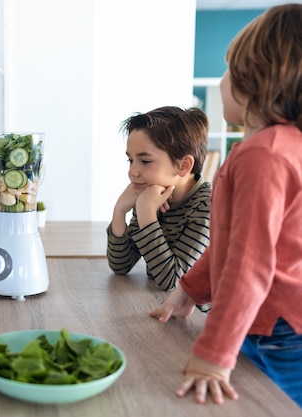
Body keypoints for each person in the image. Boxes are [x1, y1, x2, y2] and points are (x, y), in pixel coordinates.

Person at [149, 3, 302, 407]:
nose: (221, 81)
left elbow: (249, 263)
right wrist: (189, 292)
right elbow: (234, 244)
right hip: (276, 320)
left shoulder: (263, 155)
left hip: (279, 329)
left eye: (229, 69)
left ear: (256, 81)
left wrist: (212, 357)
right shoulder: (277, 147)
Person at [107, 106, 211, 294]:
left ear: (184, 165)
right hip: (159, 306)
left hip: (199, 319)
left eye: (145, 161)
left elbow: (173, 281)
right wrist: (119, 211)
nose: (132, 171)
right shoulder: (151, 195)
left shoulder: (207, 206)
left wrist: (147, 214)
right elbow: (120, 265)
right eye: (130, 160)